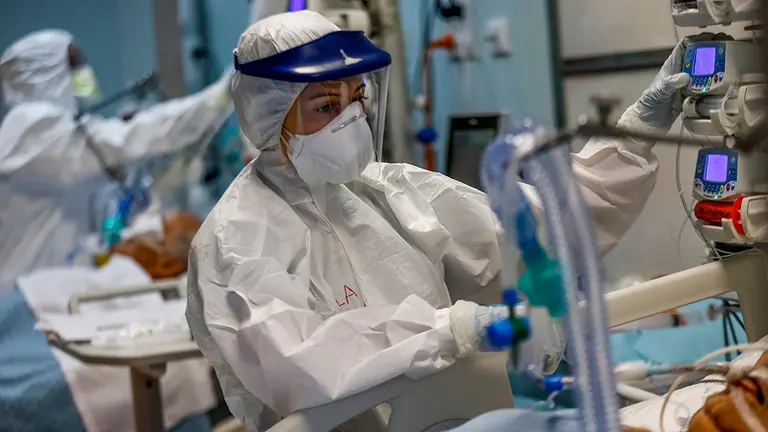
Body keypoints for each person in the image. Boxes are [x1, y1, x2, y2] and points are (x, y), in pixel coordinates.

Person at [185, 10, 701, 430]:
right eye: (325, 105)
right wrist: (455, 328)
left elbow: (541, 228)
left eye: (356, 98)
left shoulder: (386, 190)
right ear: (268, 116)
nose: (350, 119)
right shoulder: (236, 240)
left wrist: (632, 134)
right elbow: (296, 361)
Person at [0, 29, 232, 290]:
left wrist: (151, 181)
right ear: (43, 71)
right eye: (74, 64)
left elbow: (103, 203)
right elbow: (130, 140)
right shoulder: (31, 127)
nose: (83, 73)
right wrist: (219, 97)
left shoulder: (61, 133)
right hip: (22, 293)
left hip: (54, 286)